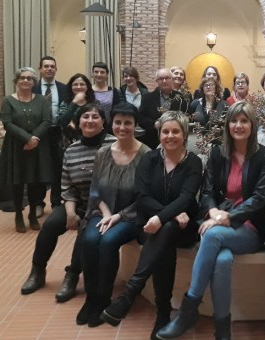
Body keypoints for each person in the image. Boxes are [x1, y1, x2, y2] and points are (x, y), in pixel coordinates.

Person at [156, 102, 265, 340]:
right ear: (227, 124)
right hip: (217, 220)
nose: (238, 125)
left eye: (244, 121)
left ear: (252, 125)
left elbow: (259, 199)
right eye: (234, 120)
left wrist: (225, 218)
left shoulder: (264, 156)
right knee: (221, 261)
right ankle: (223, 330)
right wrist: (214, 213)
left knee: (211, 235)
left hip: (248, 227)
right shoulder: (218, 153)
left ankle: (189, 311)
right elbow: (207, 192)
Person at [101, 112, 203, 338]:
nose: (170, 136)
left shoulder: (193, 162)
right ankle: (163, 315)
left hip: (184, 228)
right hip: (148, 225)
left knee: (165, 231)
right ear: (159, 134)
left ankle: (131, 294)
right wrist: (167, 215)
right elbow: (142, 195)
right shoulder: (149, 159)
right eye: (165, 131)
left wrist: (162, 217)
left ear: (184, 134)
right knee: (164, 240)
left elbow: (187, 198)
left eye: (175, 131)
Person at [20, 104, 116, 302]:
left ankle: (72, 276)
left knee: (84, 232)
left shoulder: (113, 145)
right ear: (79, 123)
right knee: (51, 225)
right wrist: (71, 213)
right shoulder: (71, 150)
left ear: (103, 122)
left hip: (105, 207)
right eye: (85, 117)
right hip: (78, 202)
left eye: (95, 117)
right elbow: (67, 185)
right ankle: (37, 271)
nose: (90, 120)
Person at [76, 102, 151, 327]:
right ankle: (91, 298)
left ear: (135, 125)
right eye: (118, 122)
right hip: (103, 211)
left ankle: (103, 300)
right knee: (89, 240)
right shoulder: (103, 153)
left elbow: (144, 197)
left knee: (107, 242)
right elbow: (96, 190)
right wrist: (107, 214)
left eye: (128, 123)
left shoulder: (146, 155)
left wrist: (117, 217)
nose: (122, 127)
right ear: (112, 124)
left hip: (130, 215)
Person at [0, 67, 52, 233]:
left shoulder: (42, 100)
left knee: (35, 182)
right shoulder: (8, 100)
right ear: (16, 81)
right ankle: (18, 214)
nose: (26, 81)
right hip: (16, 147)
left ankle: (33, 213)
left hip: (37, 146)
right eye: (22, 78)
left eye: (29, 78)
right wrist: (27, 139)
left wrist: (34, 139)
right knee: (18, 182)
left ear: (34, 82)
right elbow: (7, 123)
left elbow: (46, 121)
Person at [32, 56, 68, 215]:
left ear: (56, 69)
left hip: (57, 133)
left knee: (58, 168)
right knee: (38, 168)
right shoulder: (32, 88)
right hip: (38, 133)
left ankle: (55, 203)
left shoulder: (63, 88)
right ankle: (38, 203)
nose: (49, 69)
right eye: (46, 66)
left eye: (52, 66)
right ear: (40, 69)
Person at [139, 68, 189, 149]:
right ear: (157, 81)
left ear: (172, 79)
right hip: (152, 142)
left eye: (167, 78)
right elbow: (140, 118)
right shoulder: (147, 98)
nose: (164, 81)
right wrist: (154, 124)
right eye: (161, 79)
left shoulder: (181, 98)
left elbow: (185, 118)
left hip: (174, 141)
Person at [58, 73, 97, 145]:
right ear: (71, 87)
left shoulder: (95, 103)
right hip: (69, 142)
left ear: (87, 87)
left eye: (82, 84)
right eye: (75, 84)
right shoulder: (65, 103)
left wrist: (74, 125)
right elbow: (62, 122)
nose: (78, 87)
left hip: (91, 140)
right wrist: (74, 102)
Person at [91, 62, 121, 127]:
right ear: (92, 74)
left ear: (107, 75)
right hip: (91, 124)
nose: (99, 74)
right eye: (96, 72)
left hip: (109, 126)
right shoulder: (88, 91)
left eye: (102, 72)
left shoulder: (113, 91)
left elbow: (117, 111)